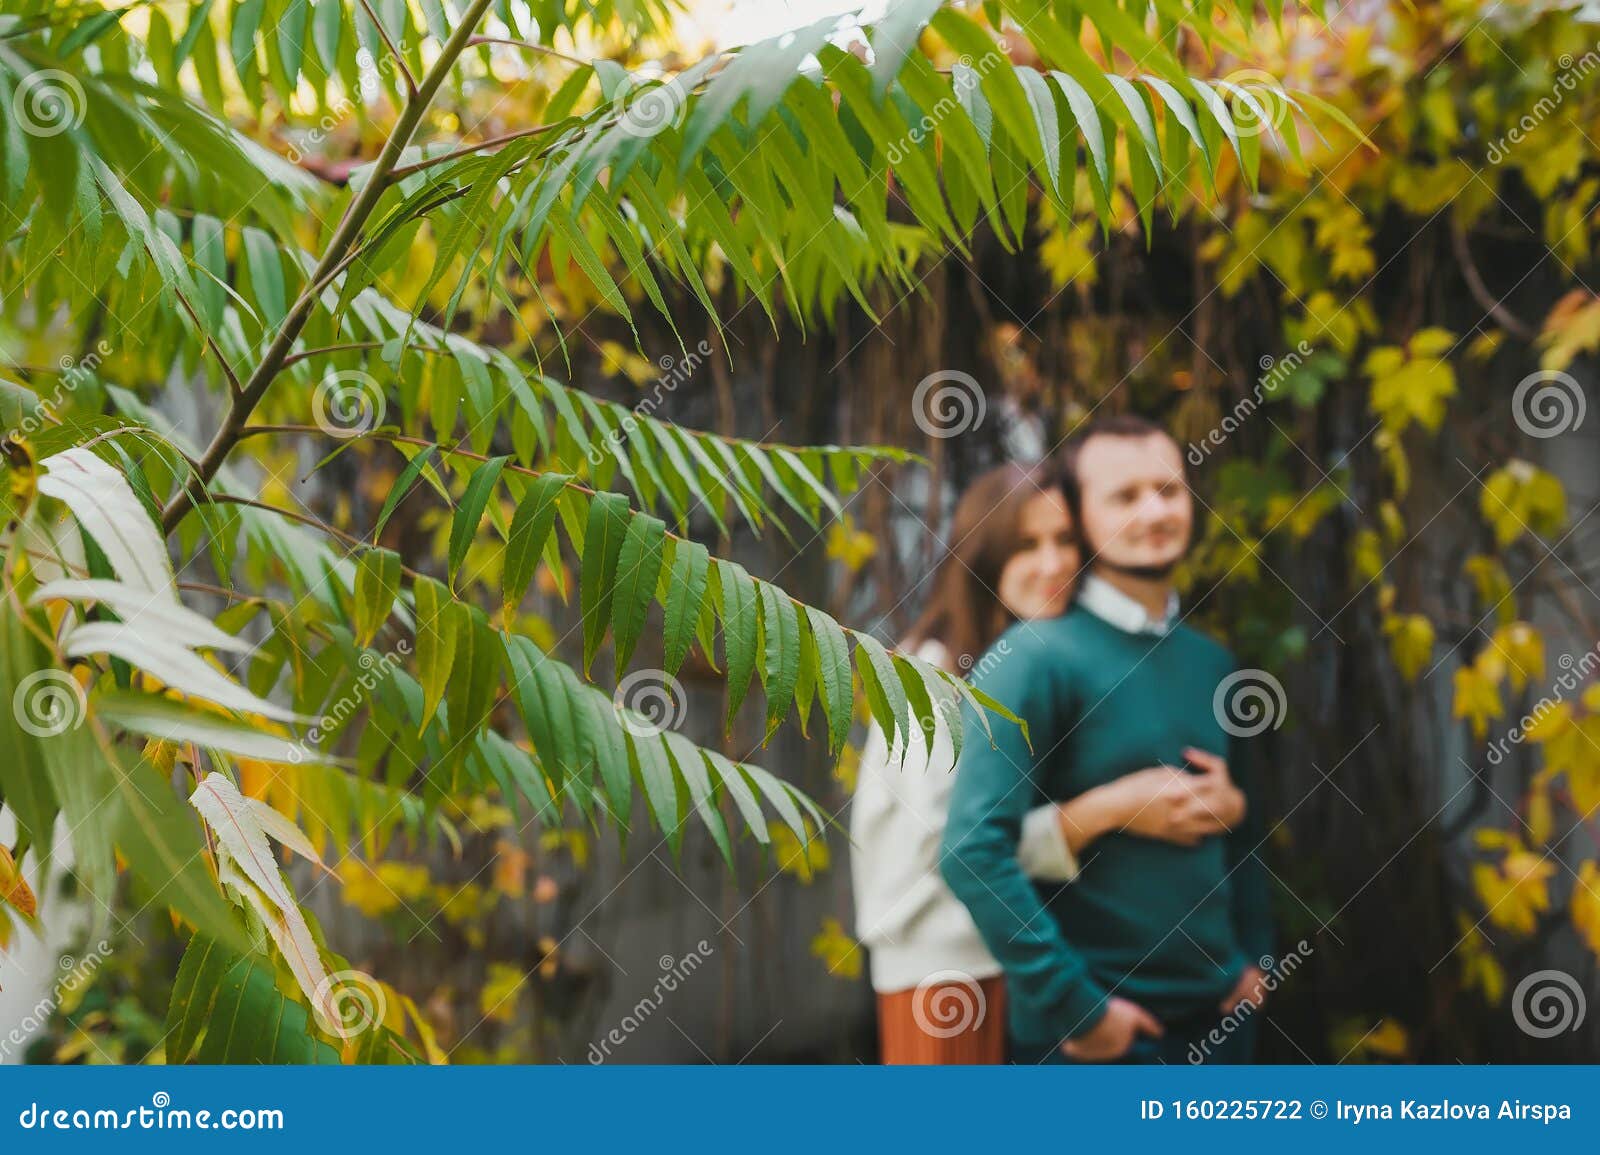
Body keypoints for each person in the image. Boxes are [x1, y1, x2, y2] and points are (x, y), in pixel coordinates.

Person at [851, 461, 1247, 1064]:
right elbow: (952, 854)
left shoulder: (1030, 665)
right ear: (983, 557)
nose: (1054, 564)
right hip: (946, 975)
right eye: (1027, 545)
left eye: (1066, 542)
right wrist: (1100, 813)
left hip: (1019, 967)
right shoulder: (929, 678)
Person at [940, 415, 1275, 1065]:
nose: (1154, 511)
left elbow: (1247, 831)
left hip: (1223, 1023)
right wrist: (1078, 1009)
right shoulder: (1033, 657)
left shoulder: (1213, 662)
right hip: (1096, 1047)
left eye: (1168, 489)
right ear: (1082, 516)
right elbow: (970, 850)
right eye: (1124, 496)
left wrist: (1255, 961)